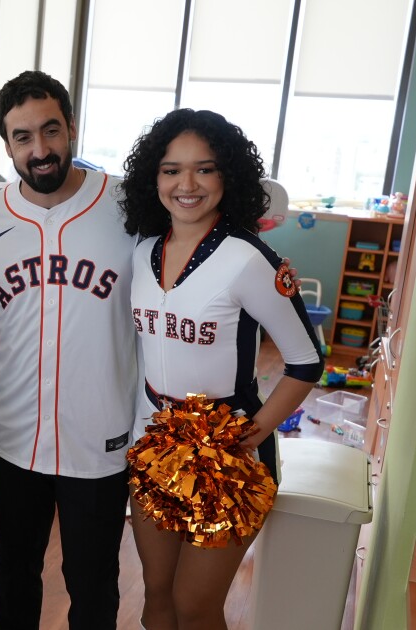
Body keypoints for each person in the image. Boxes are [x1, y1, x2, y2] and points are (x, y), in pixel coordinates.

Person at [119, 108, 323, 630]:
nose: (186, 184)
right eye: (171, 170)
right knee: (156, 600)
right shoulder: (141, 252)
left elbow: (306, 362)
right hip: (154, 446)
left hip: (230, 457)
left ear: (226, 177)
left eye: (204, 169)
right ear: (154, 178)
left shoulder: (249, 259)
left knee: (195, 606)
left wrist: (245, 440)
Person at [0, 70, 138, 629]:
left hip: (100, 435)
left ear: (72, 128)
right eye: (22, 137)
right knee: (14, 574)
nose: (39, 150)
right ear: (6, 144)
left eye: (51, 130)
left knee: (92, 583)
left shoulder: (129, 207)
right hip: (15, 436)